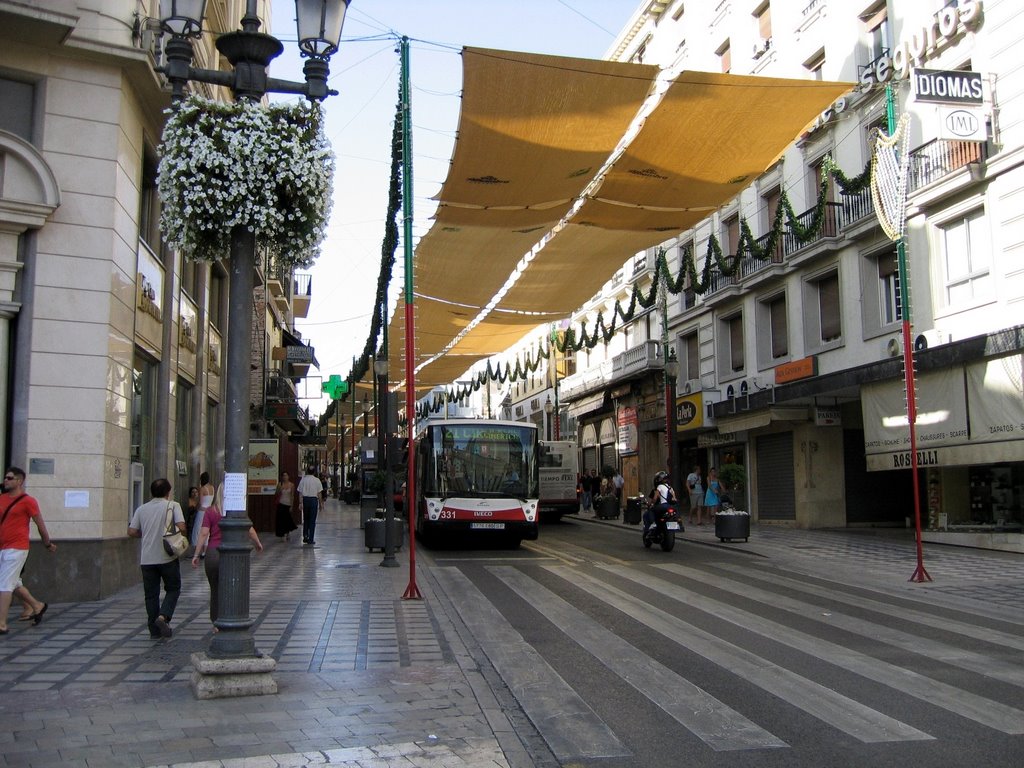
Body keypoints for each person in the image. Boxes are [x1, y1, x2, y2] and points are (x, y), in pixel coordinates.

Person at [191, 484, 263, 629]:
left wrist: (196, 554)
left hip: (212, 554)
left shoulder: (211, 512)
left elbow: (204, 533)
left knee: (215, 589)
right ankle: (232, 617)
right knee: (232, 587)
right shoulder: (237, 512)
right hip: (232, 555)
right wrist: (258, 543)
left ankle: (216, 623)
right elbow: (250, 530)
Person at [0, 467, 57, 634]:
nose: (6, 480)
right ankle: (37, 605)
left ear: (19, 481)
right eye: (5, 478)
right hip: (2, 547)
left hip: (17, 548)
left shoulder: (28, 501)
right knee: (13, 582)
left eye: (10, 478)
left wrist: (47, 544)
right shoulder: (1, 499)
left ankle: (2, 624)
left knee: (4, 585)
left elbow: (40, 524)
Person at [128, 477, 186, 639]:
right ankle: (163, 616)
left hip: (147, 558)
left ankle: (154, 629)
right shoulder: (173, 506)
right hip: (167, 556)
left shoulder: (142, 509)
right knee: (173, 588)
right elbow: (181, 526)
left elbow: (131, 531)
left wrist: (145, 533)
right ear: (168, 492)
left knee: (151, 594)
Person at [297, 467, 324, 545]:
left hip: (305, 500)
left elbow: (300, 493)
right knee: (312, 520)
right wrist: (321, 503)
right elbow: (319, 493)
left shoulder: (303, 480)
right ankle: (311, 538)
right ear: (314, 472)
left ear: (307, 471)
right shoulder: (317, 480)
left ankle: (305, 535)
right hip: (313, 501)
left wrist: (300, 503)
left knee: (306, 519)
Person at [193, 471, 215, 548]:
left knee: (198, 529)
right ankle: (205, 550)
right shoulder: (212, 488)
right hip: (209, 510)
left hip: (202, 511)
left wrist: (196, 505)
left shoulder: (202, 489)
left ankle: (197, 547)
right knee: (207, 530)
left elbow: (201, 502)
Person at [274, 471, 299, 540]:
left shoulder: (292, 485)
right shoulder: (280, 484)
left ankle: (287, 532)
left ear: (288, 476)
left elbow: (292, 496)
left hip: (288, 504)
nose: (285, 477)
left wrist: (291, 505)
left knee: (287, 519)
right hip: (281, 503)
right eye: (284, 476)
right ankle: (282, 534)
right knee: (281, 520)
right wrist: (280, 489)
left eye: (286, 475)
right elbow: (276, 493)